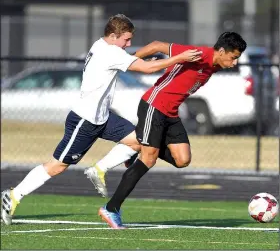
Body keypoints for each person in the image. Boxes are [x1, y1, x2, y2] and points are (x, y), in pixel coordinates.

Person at [1, 14, 202, 225]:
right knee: (57, 166)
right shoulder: (110, 52)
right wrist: (180, 58)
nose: (129, 43)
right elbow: (147, 68)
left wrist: (144, 60)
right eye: (126, 39)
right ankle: (13, 195)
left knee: (138, 140)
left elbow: (133, 62)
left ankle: (98, 169)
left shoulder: (103, 46)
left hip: (103, 118)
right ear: (114, 36)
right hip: (84, 121)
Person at [97, 31, 247, 229]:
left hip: (171, 113)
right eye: (233, 57)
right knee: (148, 158)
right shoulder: (199, 54)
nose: (235, 62)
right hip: (154, 106)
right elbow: (158, 45)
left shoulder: (216, 65)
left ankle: (140, 142)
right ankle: (112, 208)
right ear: (220, 51)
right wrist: (129, 62)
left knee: (182, 160)